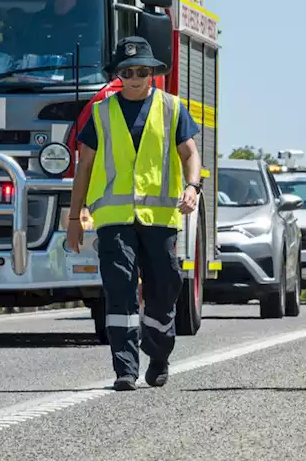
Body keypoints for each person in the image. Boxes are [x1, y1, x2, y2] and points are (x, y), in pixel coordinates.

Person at [66, 36, 202, 391]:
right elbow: (84, 167)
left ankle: (158, 354)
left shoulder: (172, 107)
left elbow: (190, 154)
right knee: (120, 290)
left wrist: (192, 187)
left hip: (160, 220)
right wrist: (73, 218)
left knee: (163, 289)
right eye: (128, 71)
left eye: (143, 70)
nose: (136, 77)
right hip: (113, 219)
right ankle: (124, 368)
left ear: (153, 73)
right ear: (118, 75)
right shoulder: (101, 113)